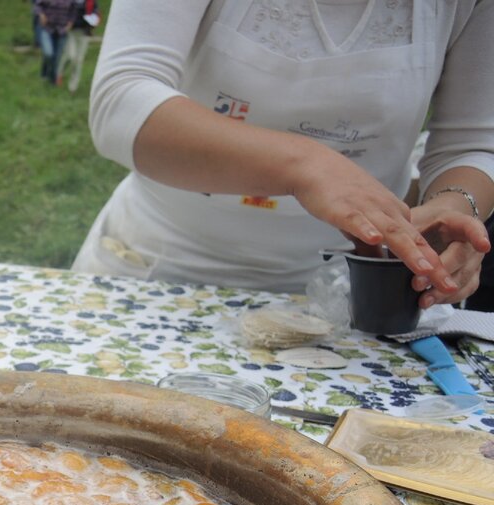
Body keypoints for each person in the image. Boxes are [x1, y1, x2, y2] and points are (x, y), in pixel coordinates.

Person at [73, 0, 494, 309]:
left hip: (354, 301)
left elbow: (475, 141)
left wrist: (455, 206)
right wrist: (307, 167)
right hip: (155, 274)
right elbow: (122, 102)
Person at [55, 0, 99, 94]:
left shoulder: (91, 1)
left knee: (78, 60)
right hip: (72, 32)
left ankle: (72, 87)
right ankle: (59, 73)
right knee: (70, 56)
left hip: (84, 33)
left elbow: (95, 12)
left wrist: (94, 21)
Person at [32, 0, 72, 86]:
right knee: (48, 53)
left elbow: (74, 10)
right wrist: (41, 15)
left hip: (62, 31)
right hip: (47, 29)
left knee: (57, 58)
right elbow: (37, 6)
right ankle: (45, 72)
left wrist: (70, 23)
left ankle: (52, 80)